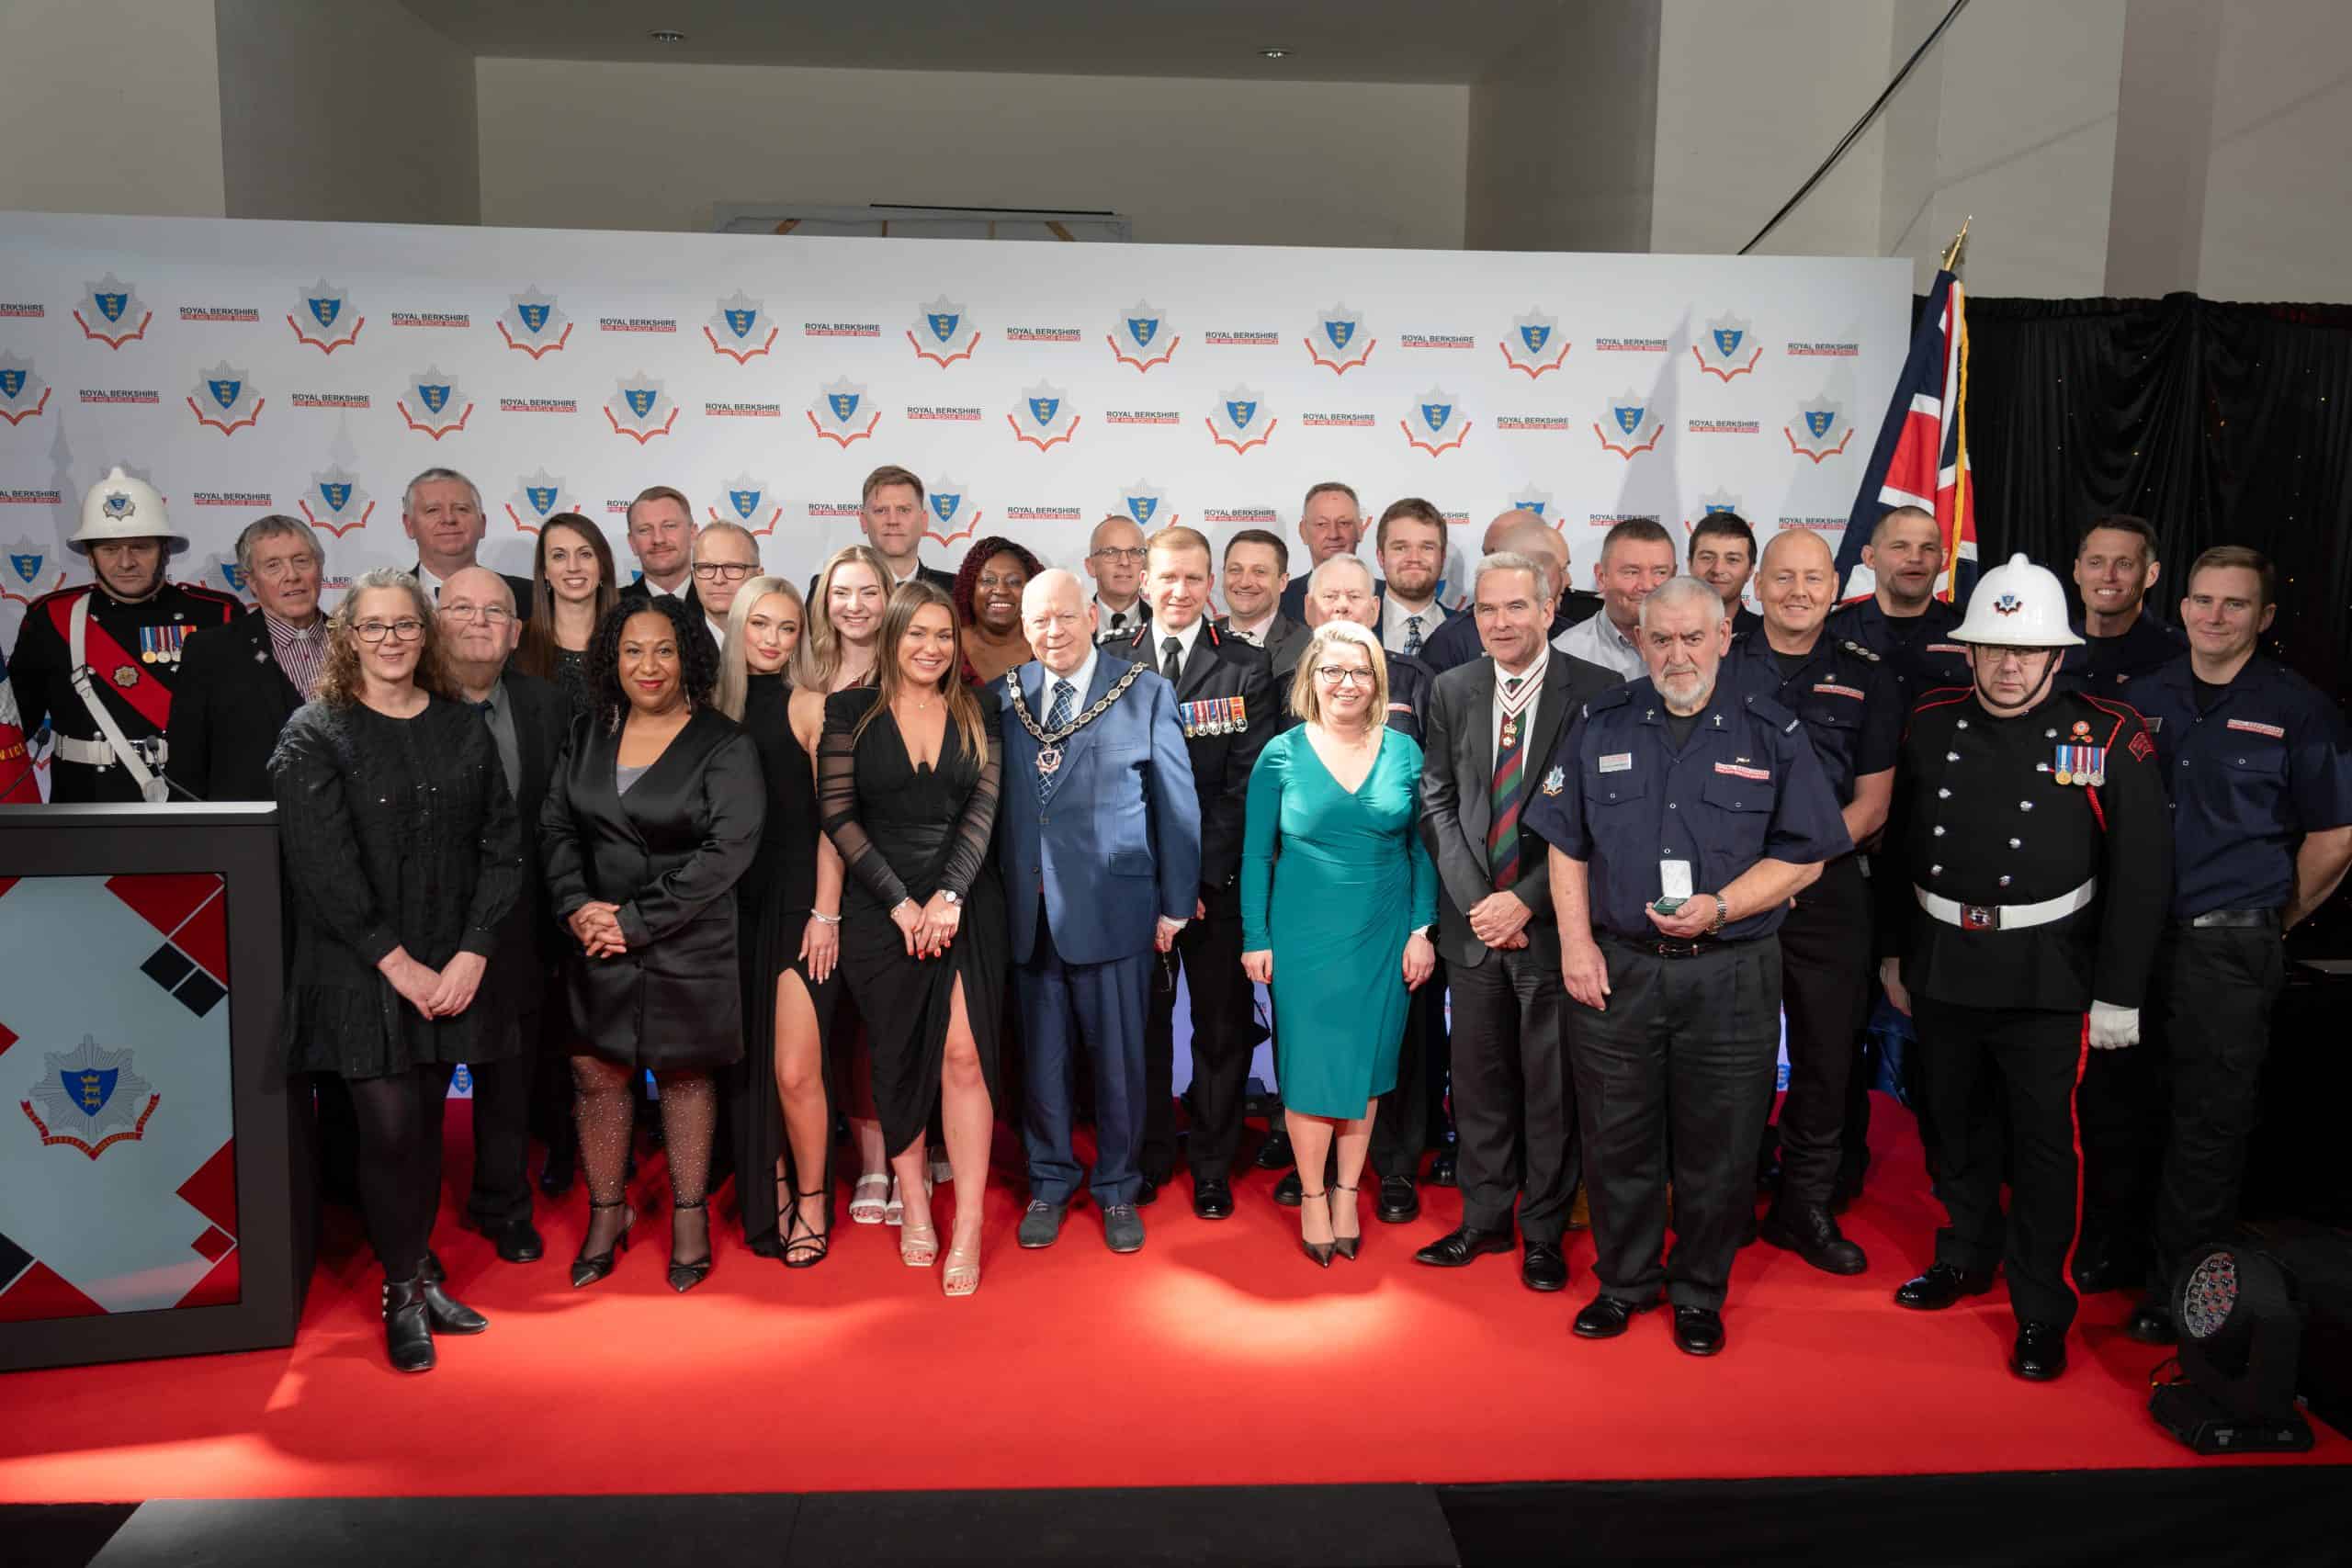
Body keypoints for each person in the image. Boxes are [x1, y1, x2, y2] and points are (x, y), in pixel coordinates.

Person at [1525, 575, 1849, 1358]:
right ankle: (1625, 1281)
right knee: (1617, 1136)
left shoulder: (1770, 728)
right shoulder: (1599, 722)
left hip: (1730, 970)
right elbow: (1564, 842)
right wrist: (1574, 944)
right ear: (1639, 639)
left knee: (1722, 1141)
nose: (1677, 654)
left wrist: (1725, 905)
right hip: (1620, 970)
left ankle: (1700, 1291)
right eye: (1660, 638)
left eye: (1692, 637)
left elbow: (1806, 855)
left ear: (1725, 635)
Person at [1877, 553, 2169, 1382]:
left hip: (2050, 972)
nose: (2009, 666)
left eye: (2027, 651)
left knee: (2045, 1144)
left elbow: (2141, 875)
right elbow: (1900, 848)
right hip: (1943, 960)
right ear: (1967, 651)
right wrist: (1896, 949)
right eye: (1994, 649)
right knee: (1953, 1122)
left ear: (2056, 656)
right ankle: (1966, 1252)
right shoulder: (1930, 720)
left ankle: (2042, 1306)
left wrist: (2118, 991)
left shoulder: (2109, 733)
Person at [269, 569, 522, 1372]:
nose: (390, 640)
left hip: (451, 965)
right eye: (373, 627)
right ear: (347, 636)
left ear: (426, 634)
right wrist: (399, 963)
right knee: (387, 1129)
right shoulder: (315, 731)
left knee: (419, 1132)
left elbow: (502, 844)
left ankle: (413, 1273)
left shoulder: (462, 726)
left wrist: (475, 948)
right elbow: (322, 867)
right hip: (360, 968)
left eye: (404, 626)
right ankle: (405, 1291)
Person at [2117, 547, 2352, 1342]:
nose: (2215, 617)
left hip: (2229, 948)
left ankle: (2180, 1293)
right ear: (2180, 606)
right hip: (2134, 945)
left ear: (2265, 617)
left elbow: (2335, 837)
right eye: (2203, 600)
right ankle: (2119, 1264)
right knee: (2128, 1108)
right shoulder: (2140, 698)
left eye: (2236, 604)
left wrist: (2265, 920)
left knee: (2208, 1125)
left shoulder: (2301, 709)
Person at [540, 594, 763, 1295]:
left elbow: (729, 850)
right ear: (612, 659)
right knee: (597, 1075)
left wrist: (633, 920)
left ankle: (690, 1218)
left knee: (685, 1077)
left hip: (688, 942)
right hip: (595, 939)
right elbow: (555, 829)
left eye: (664, 649)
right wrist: (578, 908)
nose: (648, 664)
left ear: (689, 656)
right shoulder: (585, 733)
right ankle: (608, 1212)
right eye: (632, 650)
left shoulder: (725, 742)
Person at [1416, 552, 1616, 1289]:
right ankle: (1484, 1219)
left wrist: (1526, 900)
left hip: (1553, 926)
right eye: (1488, 610)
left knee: (1550, 1087)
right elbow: (1434, 801)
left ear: (1548, 608)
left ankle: (1542, 1232)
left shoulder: (1597, 692)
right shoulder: (1452, 687)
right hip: (1473, 929)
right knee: (1477, 1083)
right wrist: (1482, 904)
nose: (1501, 623)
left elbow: (1597, 818)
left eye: (1516, 608)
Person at [999, 570, 1197, 1253]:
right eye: (1036, 622)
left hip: (1117, 913)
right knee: (1041, 1064)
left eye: (1062, 617)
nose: (1051, 632)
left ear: (1089, 614)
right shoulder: (1003, 697)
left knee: (1120, 1063)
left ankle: (1117, 1187)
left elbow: (1176, 807)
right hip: (1028, 915)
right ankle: (1050, 1180)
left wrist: (1175, 905)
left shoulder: (1143, 691)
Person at [820, 581, 1009, 1294]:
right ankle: (918, 1210)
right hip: (882, 906)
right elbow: (838, 814)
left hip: (965, 901)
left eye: (942, 636)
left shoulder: (978, 706)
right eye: (915, 634)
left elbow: (984, 807)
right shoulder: (848, 711)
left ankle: (965, 1226)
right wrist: (902, 903)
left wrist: (950, 894)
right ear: (893, 636)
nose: (930, 648)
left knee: (965, 1055)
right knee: (896, 1056)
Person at [1722, 531, 1900, 1271]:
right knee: (1734, 1061)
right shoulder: (1718, 664)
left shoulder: (1872, 675)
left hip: (1828, 895)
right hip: (1735, 895)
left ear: (1836, 586)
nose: (1799, 590)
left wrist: (1793, 869)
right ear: (1758, 584)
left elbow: (1873, 805)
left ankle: (1806, 1207)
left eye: (1814, 578)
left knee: (1828, 1059)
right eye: (1784, 576)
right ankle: (1726, 1204)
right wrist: (1757, 883)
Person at [1242, 619, 1437, 1266]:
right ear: (1311, 679)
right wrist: (1255, 937)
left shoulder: (1406, 753)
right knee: (1306, 1069)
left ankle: (1350, 1191)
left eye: (1359, 671)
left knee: (1368, 1068)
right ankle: (1315, 1193)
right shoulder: (1281, 753)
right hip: (1302, 937)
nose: (1346, 682)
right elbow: (1256, 854)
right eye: (1332, 670)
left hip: (1384, 933)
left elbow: (1423, 851)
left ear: (1378, 681)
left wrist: (1421, 931)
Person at [1272, 551, 1444, 1210]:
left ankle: (1396, 1166)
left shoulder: (1418, 680)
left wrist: (1421, 922)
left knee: (1391, 1041)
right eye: (1329, 598)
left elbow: (1429, 808)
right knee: (1313, 1040)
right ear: (1310, 609)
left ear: (1374, 609)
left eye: (1354, 598)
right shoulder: (1281, 682)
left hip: (1387, 906)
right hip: (1311, 911)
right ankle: (1310, 1169)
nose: (1342, 609)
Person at [1114, 527, 1273, 1217]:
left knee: (1221, 1030)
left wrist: (1194, 883)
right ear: (1144, 583)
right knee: (1140, 1029)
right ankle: (1149, 1154)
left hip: (1216, 889)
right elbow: (1106, 788)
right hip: (1133, 889)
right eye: (1167, 578)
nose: (1180, 592)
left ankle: (1211, 1163)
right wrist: (1158, 885)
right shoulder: (1108, 664)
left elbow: (1246, 788)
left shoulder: (1245, 667)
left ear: (1211, 585)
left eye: (1193, 579)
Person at [435, 567, 570, 1265]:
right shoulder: (407, 704)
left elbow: (560, 819)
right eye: (463, 607)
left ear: (518, 632)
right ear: (436, 621)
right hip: (428, 928)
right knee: (422, 1087)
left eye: (497, 611)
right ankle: (411, 1226)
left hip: (520, 926)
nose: (481, 621)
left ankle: (503, 1203)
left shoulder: (545, 704)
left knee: (509, 1081)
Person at [718, 576, 842, 1268]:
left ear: (802, 636)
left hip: (800, 906)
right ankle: (769, 1190)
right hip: (728, 909)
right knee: (745, 1068)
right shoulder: (710, 710)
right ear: (737, 628)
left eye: (786, 627)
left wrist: (827, 912)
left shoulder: (811, 707)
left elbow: (836, 823)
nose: (770, 639)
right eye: (758, 624)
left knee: (796, 1070)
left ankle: (814, 1199)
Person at [11, 467, 242, 801]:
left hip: (189, 801)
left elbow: (242, 727)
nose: (125, 562)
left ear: (165, 550)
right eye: (109, 549)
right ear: (89, 556)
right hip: (84, 805)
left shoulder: (215, 614)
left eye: (140, 547)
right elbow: (15, 727)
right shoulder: (51, 617)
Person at [793, 545, 897, 1224]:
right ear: (823, 602)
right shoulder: (805, 687)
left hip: (906, 875)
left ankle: (912, 1145)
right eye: (840, 593)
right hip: (833, 879)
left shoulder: (919, 668)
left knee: (903, 1026)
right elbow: (829, 815)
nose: (853, 606)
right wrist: (826, 909)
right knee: (853, 1031)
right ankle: (874, 1165)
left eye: (867, 592)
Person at [167, 514, 327, 802]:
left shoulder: (359, 643)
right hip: (251, 838)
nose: (292, 575)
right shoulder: (209, 653)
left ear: (320, 567)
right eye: (273, 565)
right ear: (251, 581)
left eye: (302, 560)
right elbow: (185, 772)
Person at [1825, 504, 1970, 708]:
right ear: (1870, 558)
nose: (1915, 558)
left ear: (1943, 559)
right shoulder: (1831, 633)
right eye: (1900, 547)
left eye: (1928, 548)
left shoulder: (1968, 634)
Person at [1420, 510, 1600, 674]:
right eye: (1562, 569)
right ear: (1531, 568)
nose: (1568, 580)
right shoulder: (1452, 642)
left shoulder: (1575, 636)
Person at [2064, 513, 2186, 694]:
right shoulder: (2054, 649)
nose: (2108, 576)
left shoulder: (2181, 655)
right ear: (2077, 571)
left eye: (2124, 564)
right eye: (2096, 562)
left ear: (2151, 575)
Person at [1555, 518, 1676, 682]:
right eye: (1631, 572)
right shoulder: (1565, 654)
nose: (1647, 586)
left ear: (1674, 576)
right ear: (1601, 577)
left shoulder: (1701, 648)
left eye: (1660, 572)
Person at [401, 468, 531, 614]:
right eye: (433, 510)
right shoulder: (388, 597)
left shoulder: (530, 597)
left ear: (482, 523)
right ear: (409, 525)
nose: (449, 519)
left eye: (461, 509)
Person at [1220, 527, 1310, 685]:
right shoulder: (1200, 639)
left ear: (1282, 582)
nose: (1244, 582)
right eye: (1235, 570)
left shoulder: (1308, 647)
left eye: (1259, 572)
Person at [852, 465, 956, 594]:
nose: (893, 521)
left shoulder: (958, 592)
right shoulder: (829, 590)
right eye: (881, 511)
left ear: (924, 521)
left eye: (904, 510)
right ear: (864, 521)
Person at [952, 536, 1042, 686]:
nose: (1001, 590)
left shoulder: (1048, 647)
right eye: (988, 580)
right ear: (970, 590)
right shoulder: (949, 646)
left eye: (1014, 582)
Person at [1277, 481, 1366, 623]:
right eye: (1321, 524)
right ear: (1303, 531)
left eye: (1344, 523)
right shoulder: (1278, 600)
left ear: (1360, 530)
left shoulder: (1388, 597)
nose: (1333, 534)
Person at [1374, 497, 1451, 659]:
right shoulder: (1355, 626)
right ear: (1381, 557)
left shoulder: (1468, 630)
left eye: (1427, 547)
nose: (1414, 558)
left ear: (1442, 557)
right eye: (1400, 548)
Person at [619, 484, 700, 614]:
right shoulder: (611, 606)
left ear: (692, 534)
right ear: (632, 542)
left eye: (669, 526)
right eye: (644, 530)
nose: (658, 539)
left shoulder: (725, 602)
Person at [690, 521, 764, 650]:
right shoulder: (675, 644)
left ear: (758, 577)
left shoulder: (783, 645)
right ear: (694, 577)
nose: (719, 579)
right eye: (707, 567)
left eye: (733, 567)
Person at [1690, 512, 1762, 637]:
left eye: (1732, 559)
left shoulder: (1766, 635)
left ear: (1750, 570)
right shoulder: (1663, 628)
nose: (1718, 569)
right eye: (1707, 558)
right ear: (1690, 564)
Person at [1085, 514, 1152, 641]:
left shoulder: (1165, 627)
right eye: (1111, 553)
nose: (1125, 562)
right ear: (1091, 566)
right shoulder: (1072, 627)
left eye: (1134, 552)